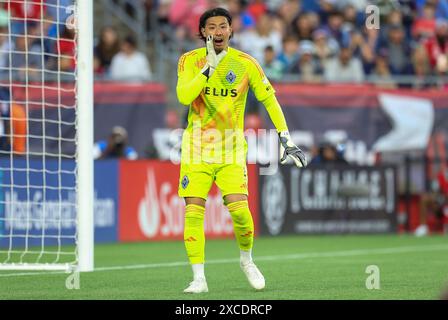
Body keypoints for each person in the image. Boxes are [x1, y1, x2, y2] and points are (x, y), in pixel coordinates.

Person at [176, 7, 307, 294]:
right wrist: (208, 67)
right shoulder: (189, 61)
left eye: (223, 26)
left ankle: (246, 260)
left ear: (231, 31)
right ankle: (198, 278)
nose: (218, 31)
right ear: (202, 32)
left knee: (240, 213)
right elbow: (185, 96)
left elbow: (270, 101)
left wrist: (286, 139)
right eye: (211, 27)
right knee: (193, 212)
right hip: (196, 149)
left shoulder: (246, 64)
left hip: (231, 150)